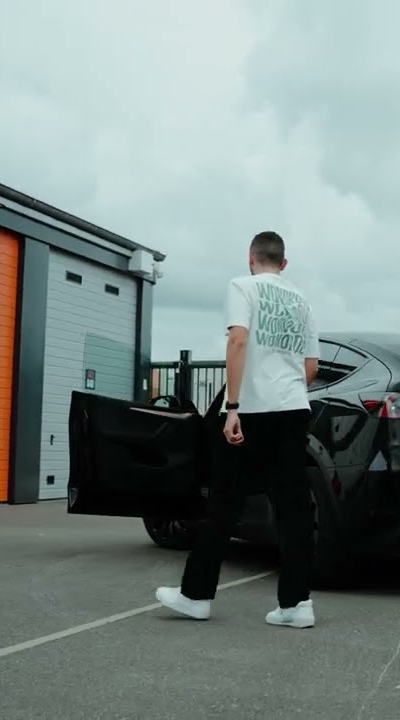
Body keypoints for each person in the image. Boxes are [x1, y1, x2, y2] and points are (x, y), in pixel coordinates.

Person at [155, 230, 320, 629]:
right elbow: (311, 367)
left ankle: (196, 596)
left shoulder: (242, 286)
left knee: (225, 503)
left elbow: (238, 342)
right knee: (293, 510)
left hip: (252, 412)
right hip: (294, 409)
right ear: (284, 263)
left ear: (251, 258)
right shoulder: (301, 300)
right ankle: (297, 604)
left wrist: (233, 408)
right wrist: (285, 387)